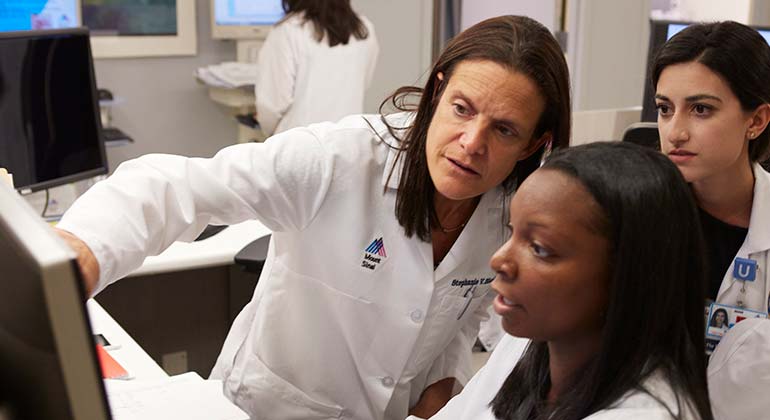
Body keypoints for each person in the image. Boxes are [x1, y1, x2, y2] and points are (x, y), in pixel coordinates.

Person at [54, 15, 571, 420]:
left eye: (503, 129)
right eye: (462, 108)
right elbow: (177, 187)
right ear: (437, 92)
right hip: (260, 413)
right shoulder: (341, 157)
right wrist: (78, 252)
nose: (472, 143)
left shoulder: (511, 215)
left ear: (534, 143)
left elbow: (461, 315)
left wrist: (444, 382)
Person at [417, 142, 714, 420]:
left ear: (626, 276)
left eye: (540, 248)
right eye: (513, 232)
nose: (499, 261)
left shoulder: (641, 415)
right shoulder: (526, 349)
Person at [652, 21, 770, 315]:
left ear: (756, 121)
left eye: (701, 109)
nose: (675, 133)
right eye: (665, 109)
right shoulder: (632, 212)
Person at [255, 0, 379, 135]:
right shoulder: (363, 30)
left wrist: (272, 138)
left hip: (298, 143)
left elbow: (271, 106)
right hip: (348, 142)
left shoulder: (288, 30)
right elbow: (363, 83)